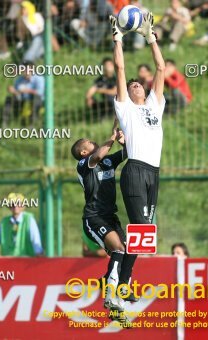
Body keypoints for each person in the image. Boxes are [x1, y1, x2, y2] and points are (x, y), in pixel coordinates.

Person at [110, 11, 165, 316]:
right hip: (134, 171)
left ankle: (122, 282)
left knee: (145, 234)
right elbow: (120, 68)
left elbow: (160, 66)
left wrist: (150, 37)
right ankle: (122, 284)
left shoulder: (156, 105)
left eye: (138, 86)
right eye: (131, 88)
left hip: (153, 174)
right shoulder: (127, 111)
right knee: (141, 229)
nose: (136, 88)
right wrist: (118, 39)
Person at [71, 122, 137, 326]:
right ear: (84, 151)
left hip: (111, 216)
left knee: (126, 252)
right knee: (118, 248)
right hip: (94, 217)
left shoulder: (107, 162)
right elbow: (98, 155)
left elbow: (127, 153)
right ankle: (109, 295)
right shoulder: (84, 165)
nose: (93, 143)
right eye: (89, 143)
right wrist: (111, 137)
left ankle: (118, 306)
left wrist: (124, 142)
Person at [0, 193, 44, 257]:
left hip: (26, 262)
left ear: (23, 206)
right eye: (13, 204)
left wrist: (39, 256)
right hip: (8, 263)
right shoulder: (4, 222)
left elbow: (35, 240)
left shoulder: (29, 219)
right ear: (9, 206)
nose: (15, 206)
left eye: (18, 203)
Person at [2, 62, 44, 127]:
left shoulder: (39, 78)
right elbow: (18, 93)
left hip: (37, 99)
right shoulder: (19, 79)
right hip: (23, 99)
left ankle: (31, 124)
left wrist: (26, 90)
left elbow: (39, 92)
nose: (26, 72)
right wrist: (13, 91)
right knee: (9, 99)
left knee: (36, 98)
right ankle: (5, 123)